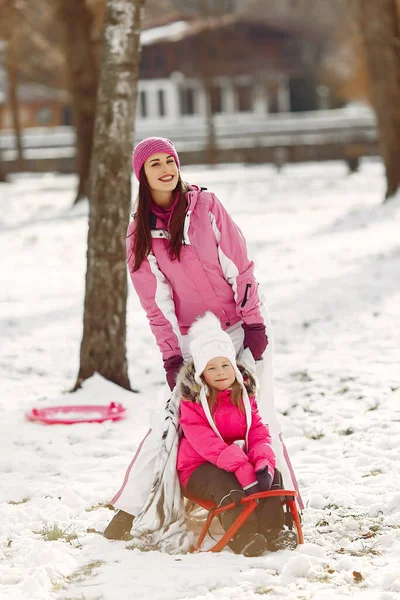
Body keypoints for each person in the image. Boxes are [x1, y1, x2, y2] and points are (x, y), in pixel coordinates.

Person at [104, 137, 302, 541]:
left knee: (259, 412)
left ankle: (285, 504)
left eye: (170, 160)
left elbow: (240, 267)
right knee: (171, 420)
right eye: (154, 163)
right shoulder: (140, 234)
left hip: (239, 327)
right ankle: (127, 512)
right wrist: (172, 356)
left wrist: (254, 325)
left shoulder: (206, 208)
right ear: (141, 175)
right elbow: (155, 304)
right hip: (194, 343)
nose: (165, 168)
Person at [177, 312, 298, 556]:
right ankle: (243, 535)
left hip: (236, 460)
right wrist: (240, 465)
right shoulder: (193, 401)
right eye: (211, 368)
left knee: (272, 475)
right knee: (226, 484)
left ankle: (274, 530)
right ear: (201, 373)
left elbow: (256, 428)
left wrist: (262, 458)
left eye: (225, 365)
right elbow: (201, 439)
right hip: (199, 467)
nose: (220, 372)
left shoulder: (243, 393)